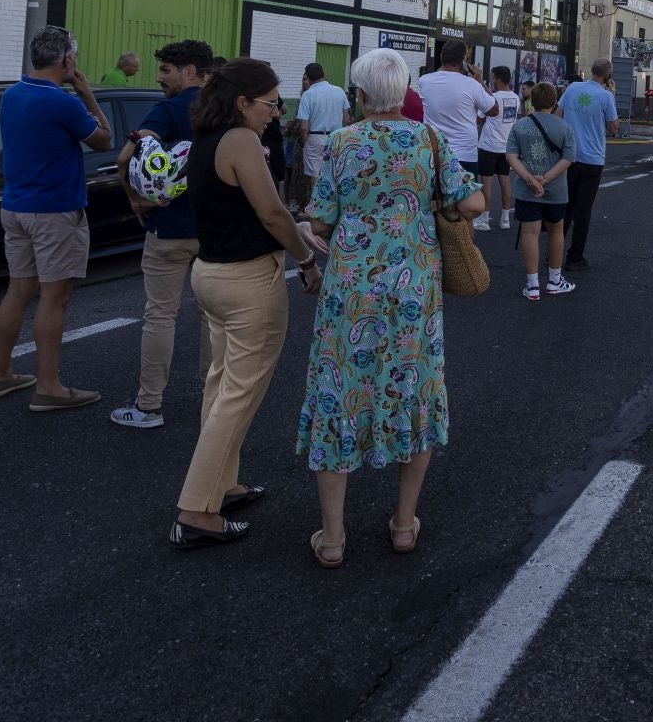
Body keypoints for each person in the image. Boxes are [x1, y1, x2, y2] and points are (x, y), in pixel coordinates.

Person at [297, 48, 485, 566]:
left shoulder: (341, 142)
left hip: (350, 291)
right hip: (413, 292)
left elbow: (320, 220)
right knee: (414, 388)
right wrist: (429, 204)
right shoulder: (429, 140)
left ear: (359, 95)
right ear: (404, 93)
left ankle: (333, 538)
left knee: (338, 393)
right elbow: (473, 202)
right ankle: (403, 526)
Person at [170, 58, 325, 548]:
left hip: (211, 273)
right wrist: (306, 260)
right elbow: (273, 212)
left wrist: (293, 228)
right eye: (270, 104)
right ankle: (196, 510)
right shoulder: (240, 140)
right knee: (238, 395)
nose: (276, 113)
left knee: (221, 385)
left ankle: (222, 484)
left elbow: (250, 211)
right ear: (242, 102)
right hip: (247, 282)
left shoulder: (208, 138)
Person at [0, 25, 111, 412]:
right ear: (68, 60)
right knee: (55, 297)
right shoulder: (62, 102)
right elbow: (103, 139)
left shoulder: (12, 94)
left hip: (16, 206)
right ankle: (49, 387)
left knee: (18, 290)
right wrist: (87, 94)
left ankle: (2, 374)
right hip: (54, 210)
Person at [110, 39, 213, 430]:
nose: (159, 77)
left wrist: (136, 198)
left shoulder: (167, 109)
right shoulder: (224, 107)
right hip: (212, 230)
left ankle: (149, 405)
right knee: (212, 317)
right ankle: (214, 400)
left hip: (169, 228)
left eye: (166, 70)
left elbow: (125, 156)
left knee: (160, 315)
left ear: (189, 71)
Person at [508, 82, 577, 299]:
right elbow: (569, 158)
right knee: (556, 231)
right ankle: (555, 281)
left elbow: (511, 156)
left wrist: (530, 179)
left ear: (532, 101)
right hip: (556, 190)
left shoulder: (520, 126)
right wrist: (545, 179)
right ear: (554, 102)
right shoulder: (564, 127)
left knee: (530, 233)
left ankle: (533, 285)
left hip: (526, 190)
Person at [559, 59, 620, 273]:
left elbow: (558, 116)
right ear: (608, 76)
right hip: (592, 159)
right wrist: (612, 96)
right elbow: (613, 128)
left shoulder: (573, 88)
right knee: (583, 211)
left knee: (565, 207)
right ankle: (575, 257)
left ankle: (552, 253)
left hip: (568, 157)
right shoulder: (606, 96)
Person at [419, 41, 496, 190]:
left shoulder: (424, 81)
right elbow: (494, 110)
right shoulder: (472, 84)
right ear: (464, 60)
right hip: (465, 156)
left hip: (434, 155)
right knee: (466, 202)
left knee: (435, 201)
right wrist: (479, 80)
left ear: (441, 57)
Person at [291, 61, 350, 210]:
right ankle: (334, 207)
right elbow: (346, 119)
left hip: (315, 137)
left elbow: (303, 125)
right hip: (336, 137)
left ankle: (317, 209)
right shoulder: (339, 91)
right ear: (324, 74)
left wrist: (304, 142)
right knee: (334, 173)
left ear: (307, 77)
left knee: (315, 176)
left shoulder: (307, 95)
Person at [476, 66, 521, 231]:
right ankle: (505, 219)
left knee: (486, 183)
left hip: (488, 146)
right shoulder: (516, 98)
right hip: (506, 147)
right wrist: (481, 84)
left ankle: (484, 219)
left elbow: (479, 119)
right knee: (505, 180)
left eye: (493, 77)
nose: (492, 80)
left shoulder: (493, 98)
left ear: (498, 79)